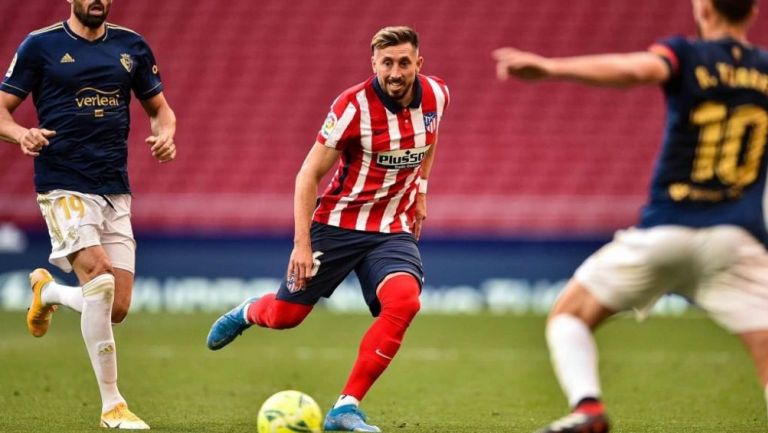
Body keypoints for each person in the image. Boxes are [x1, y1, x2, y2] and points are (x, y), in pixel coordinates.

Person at [494, 0, 768, 432]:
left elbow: (636, 69)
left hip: (668, 228)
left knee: (569, 315)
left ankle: (588, 409)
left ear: (702, 8)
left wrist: (551, 68)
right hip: (737, 237)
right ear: (752, 11)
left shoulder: (686, 54)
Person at [207, 25, 449, 432]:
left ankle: (345, 408)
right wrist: (301, 243)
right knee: (286, 316)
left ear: (418, 64)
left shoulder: (438, 95)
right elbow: (308, 174)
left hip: (391, 227)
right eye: (386, 63)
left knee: (405, 301)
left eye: (403, 63)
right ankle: (250, 310)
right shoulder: (353, 107)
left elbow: (430, 138)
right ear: (374, 64)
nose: (394, 72)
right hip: (336, 225)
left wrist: (421, 189)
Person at [0, 0, 176, 429]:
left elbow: (160, 110)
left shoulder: (132, 46)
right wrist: (22, 134)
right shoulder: (40, 45)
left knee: (115, 305)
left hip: (114, 187)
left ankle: (49, 293)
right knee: (98, 276)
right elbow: (2, 110)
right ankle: (112, 405)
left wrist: (166, 135)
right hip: (62, 183)